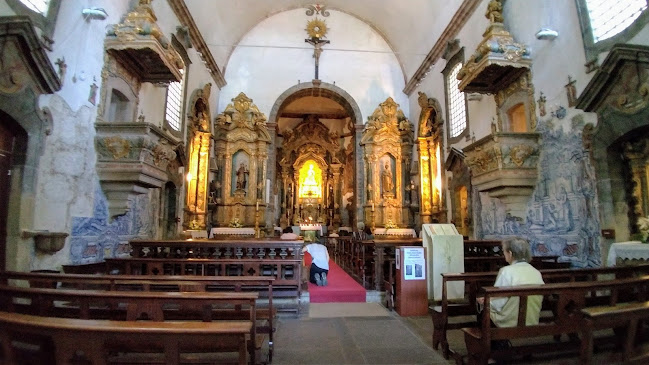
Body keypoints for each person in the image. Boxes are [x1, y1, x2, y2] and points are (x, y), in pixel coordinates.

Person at [477, 237, 544, 328]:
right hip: (532, 320)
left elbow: (498, 304)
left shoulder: (506, 271)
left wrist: (485, 302)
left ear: (510, 253)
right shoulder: (536, 272)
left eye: (504, 251)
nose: (503, 254)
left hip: (509, 322)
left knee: (482, 309)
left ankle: (493, 341)